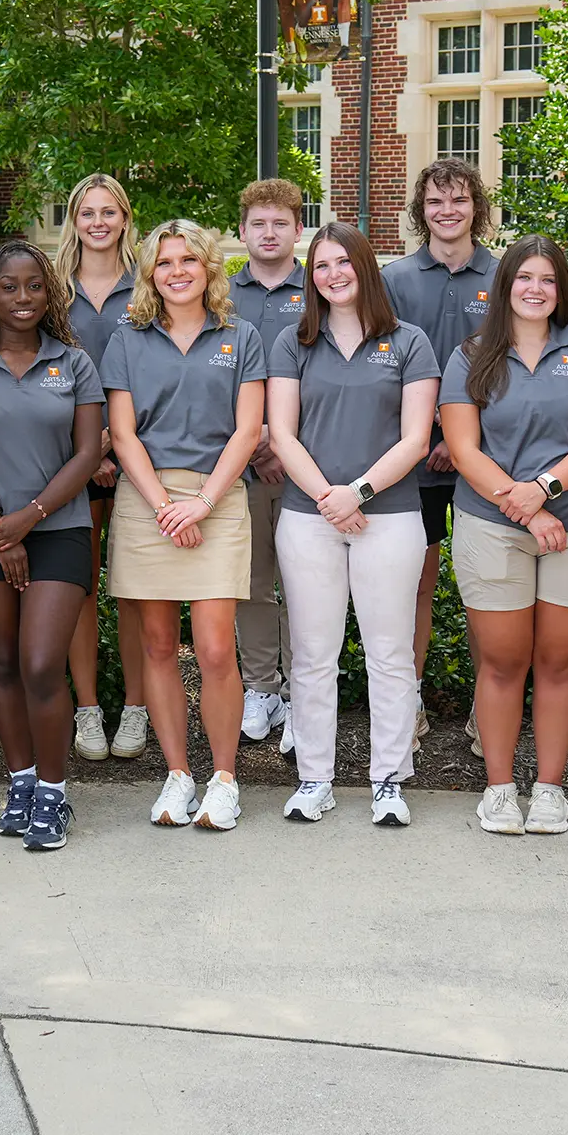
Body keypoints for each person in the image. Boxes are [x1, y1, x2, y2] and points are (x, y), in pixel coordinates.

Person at [441, 236, 568, 837]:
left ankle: (548, 788)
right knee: (501, 661)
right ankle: (498, 789)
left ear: (561, 289)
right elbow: (464, 449)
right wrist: (526, 508)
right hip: (493, 524)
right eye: (525, 278)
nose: (536, 289)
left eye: (548, 279)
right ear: (504, 287)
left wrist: (543, 490)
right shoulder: (471, 355)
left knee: (558, 660)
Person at [0, 240, 107, 852]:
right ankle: (23, 782)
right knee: (2, 664)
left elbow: (88, 454)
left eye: (34, 285)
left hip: (59, 532)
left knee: (39, 663)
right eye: (9, 286)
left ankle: (56, 794)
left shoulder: (75, 363)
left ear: (50, 293)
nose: (23, 297)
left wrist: (28, 519)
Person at [266, 224, 438, 826]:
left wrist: (358, 491)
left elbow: (417, 438)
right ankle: (315, 778)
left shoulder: (410, 342)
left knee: (389, 653)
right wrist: (327, 497)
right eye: (321, 266)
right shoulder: (293, 342)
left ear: (365, 267)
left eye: (343, 262)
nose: (333, 274)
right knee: (313, 654)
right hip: (308, 516)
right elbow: (281, 433)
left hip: (388, 516)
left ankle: (389, 779)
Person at [103, 220, 268, 831]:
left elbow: (248, 431)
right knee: (157, 646)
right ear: (150, 273)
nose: (177, 272)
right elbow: (122, 434)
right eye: (165, 262)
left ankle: (224, 778)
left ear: (209, 269)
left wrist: (200, 505)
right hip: (146, 499)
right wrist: (164, 507)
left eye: (189, 261)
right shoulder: (126, 338)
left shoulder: (240, 335)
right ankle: (177, 774)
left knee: (217, 646)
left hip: (217, 496)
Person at [381, 158, 500, 745]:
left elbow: (513, 365)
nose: (446, 211)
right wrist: (431, 429)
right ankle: (412, 701)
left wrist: (462, 437)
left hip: (487, 458)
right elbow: (387, 365)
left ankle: (488, 708)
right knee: (417, 584)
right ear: (419, 210)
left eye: (457, 201)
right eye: (434, 202)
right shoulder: (395, 278)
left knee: (484, 586)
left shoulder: (505, 276)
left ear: (476, 206)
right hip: (414, 457)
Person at [53, 173, 149, 761]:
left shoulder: (150, 285)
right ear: (74, 219)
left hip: (141, 458)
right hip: (70, 464)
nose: (97, 223)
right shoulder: (53, 287)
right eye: (86, 212)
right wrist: (89, 455)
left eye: (108, 213)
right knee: (79, 589)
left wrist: (117, 449)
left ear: (124, 219)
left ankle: (136, 708)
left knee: (136, 591)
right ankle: (88, 710)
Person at [229, 179, 310, 745]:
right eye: (258, 223)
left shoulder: (324, 288)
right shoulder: (220, 293)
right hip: (241, 461)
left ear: (297, 230)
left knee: (306, 583)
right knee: (252, 582)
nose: (268, 232)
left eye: (280, 223)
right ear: (242, 231)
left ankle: (303, 693)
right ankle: (261, 686)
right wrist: (255, 441)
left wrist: (283, 444)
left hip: (308, 464)